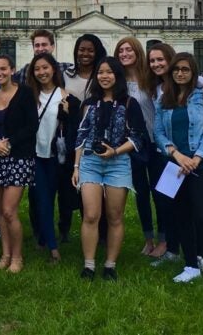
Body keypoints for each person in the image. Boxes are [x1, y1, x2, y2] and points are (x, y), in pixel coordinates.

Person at [154, 52, 203, 291]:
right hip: (175, 165)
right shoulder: (165, 97)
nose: (180, 73)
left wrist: (196, 158)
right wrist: (176, 154)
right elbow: (158, 133)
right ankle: (191, 265)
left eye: (185, 69)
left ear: (193, 72)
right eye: (176, 70)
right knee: (181, 216)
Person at [72, 57, 147, 281]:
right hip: (90, 161)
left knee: (115, 216)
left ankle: (110, 264)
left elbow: (138, 136)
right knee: (91, 214)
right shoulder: (89, 104)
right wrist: (76, 166)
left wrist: (115, 151)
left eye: (109, 72)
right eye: (101, 72)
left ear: (118, 76)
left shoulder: (129, 103)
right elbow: (81, 135)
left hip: (118, 161)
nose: (104, 76)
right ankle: (89, 264)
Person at [0, 54, 36, 274]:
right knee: (0, 211)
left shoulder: (25, 93)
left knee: (9, 210)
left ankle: (18, 257)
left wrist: (8, 143)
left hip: (18, 157)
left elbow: (32, 126)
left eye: (3, 69)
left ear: (12, 70)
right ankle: (5, 255)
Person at [26, 52, 81, 263]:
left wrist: (67, 114)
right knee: (43, 201)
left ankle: (51, 239)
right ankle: (53, 247)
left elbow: (74, 131)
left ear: (54, 70)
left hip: (57, 157)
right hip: (36, 156)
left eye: (45, 68)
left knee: (61, 200)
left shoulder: (68, 98)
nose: (41, 72)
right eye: (37, 69)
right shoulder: (29, 95)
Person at [116, 36, 167, 260]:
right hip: (134, 143)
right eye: (120, 51)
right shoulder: (118, 83)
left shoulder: (151, 79)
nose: (124, 54)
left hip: (156, 141)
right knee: (141, 193)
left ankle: (164, 239)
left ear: (138, 52)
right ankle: (148, 239)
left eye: (128, 50)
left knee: (161, 191)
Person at [146, 42, 181, 266]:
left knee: (184, 202)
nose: (157, 64)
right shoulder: (156, 87)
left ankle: (192, 250)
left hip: (183, 153)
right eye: (152, 61)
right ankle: (172, 247)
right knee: (165, 200)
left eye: (161, 59)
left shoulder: (187, 85)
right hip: (163, 152)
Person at [64, 34, 106, 102]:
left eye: (91, 51)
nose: (85, 54)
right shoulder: (67, 73)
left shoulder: (103, 75)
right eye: (81, 50)